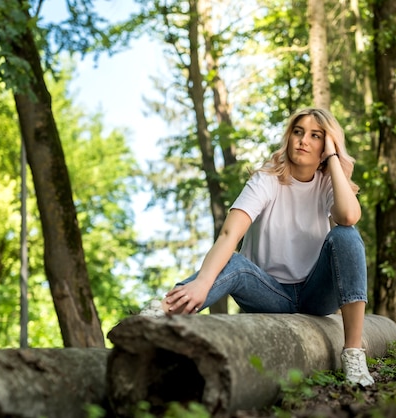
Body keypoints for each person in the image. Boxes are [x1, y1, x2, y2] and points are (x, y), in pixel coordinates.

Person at [144, 107, 374, 386]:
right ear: (289, 137)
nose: (303, 140)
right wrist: (204, 282)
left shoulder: (328, 184)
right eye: (298, 132)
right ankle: (163, 310)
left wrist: (334, 159)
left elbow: (349, 216)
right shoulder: (266, 179)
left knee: (346, 235)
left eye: (315, 136)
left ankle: (353, 353)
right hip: (268, 293)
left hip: (315, 295)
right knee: (236, 262)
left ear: (326, 146)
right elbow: (229, 234)